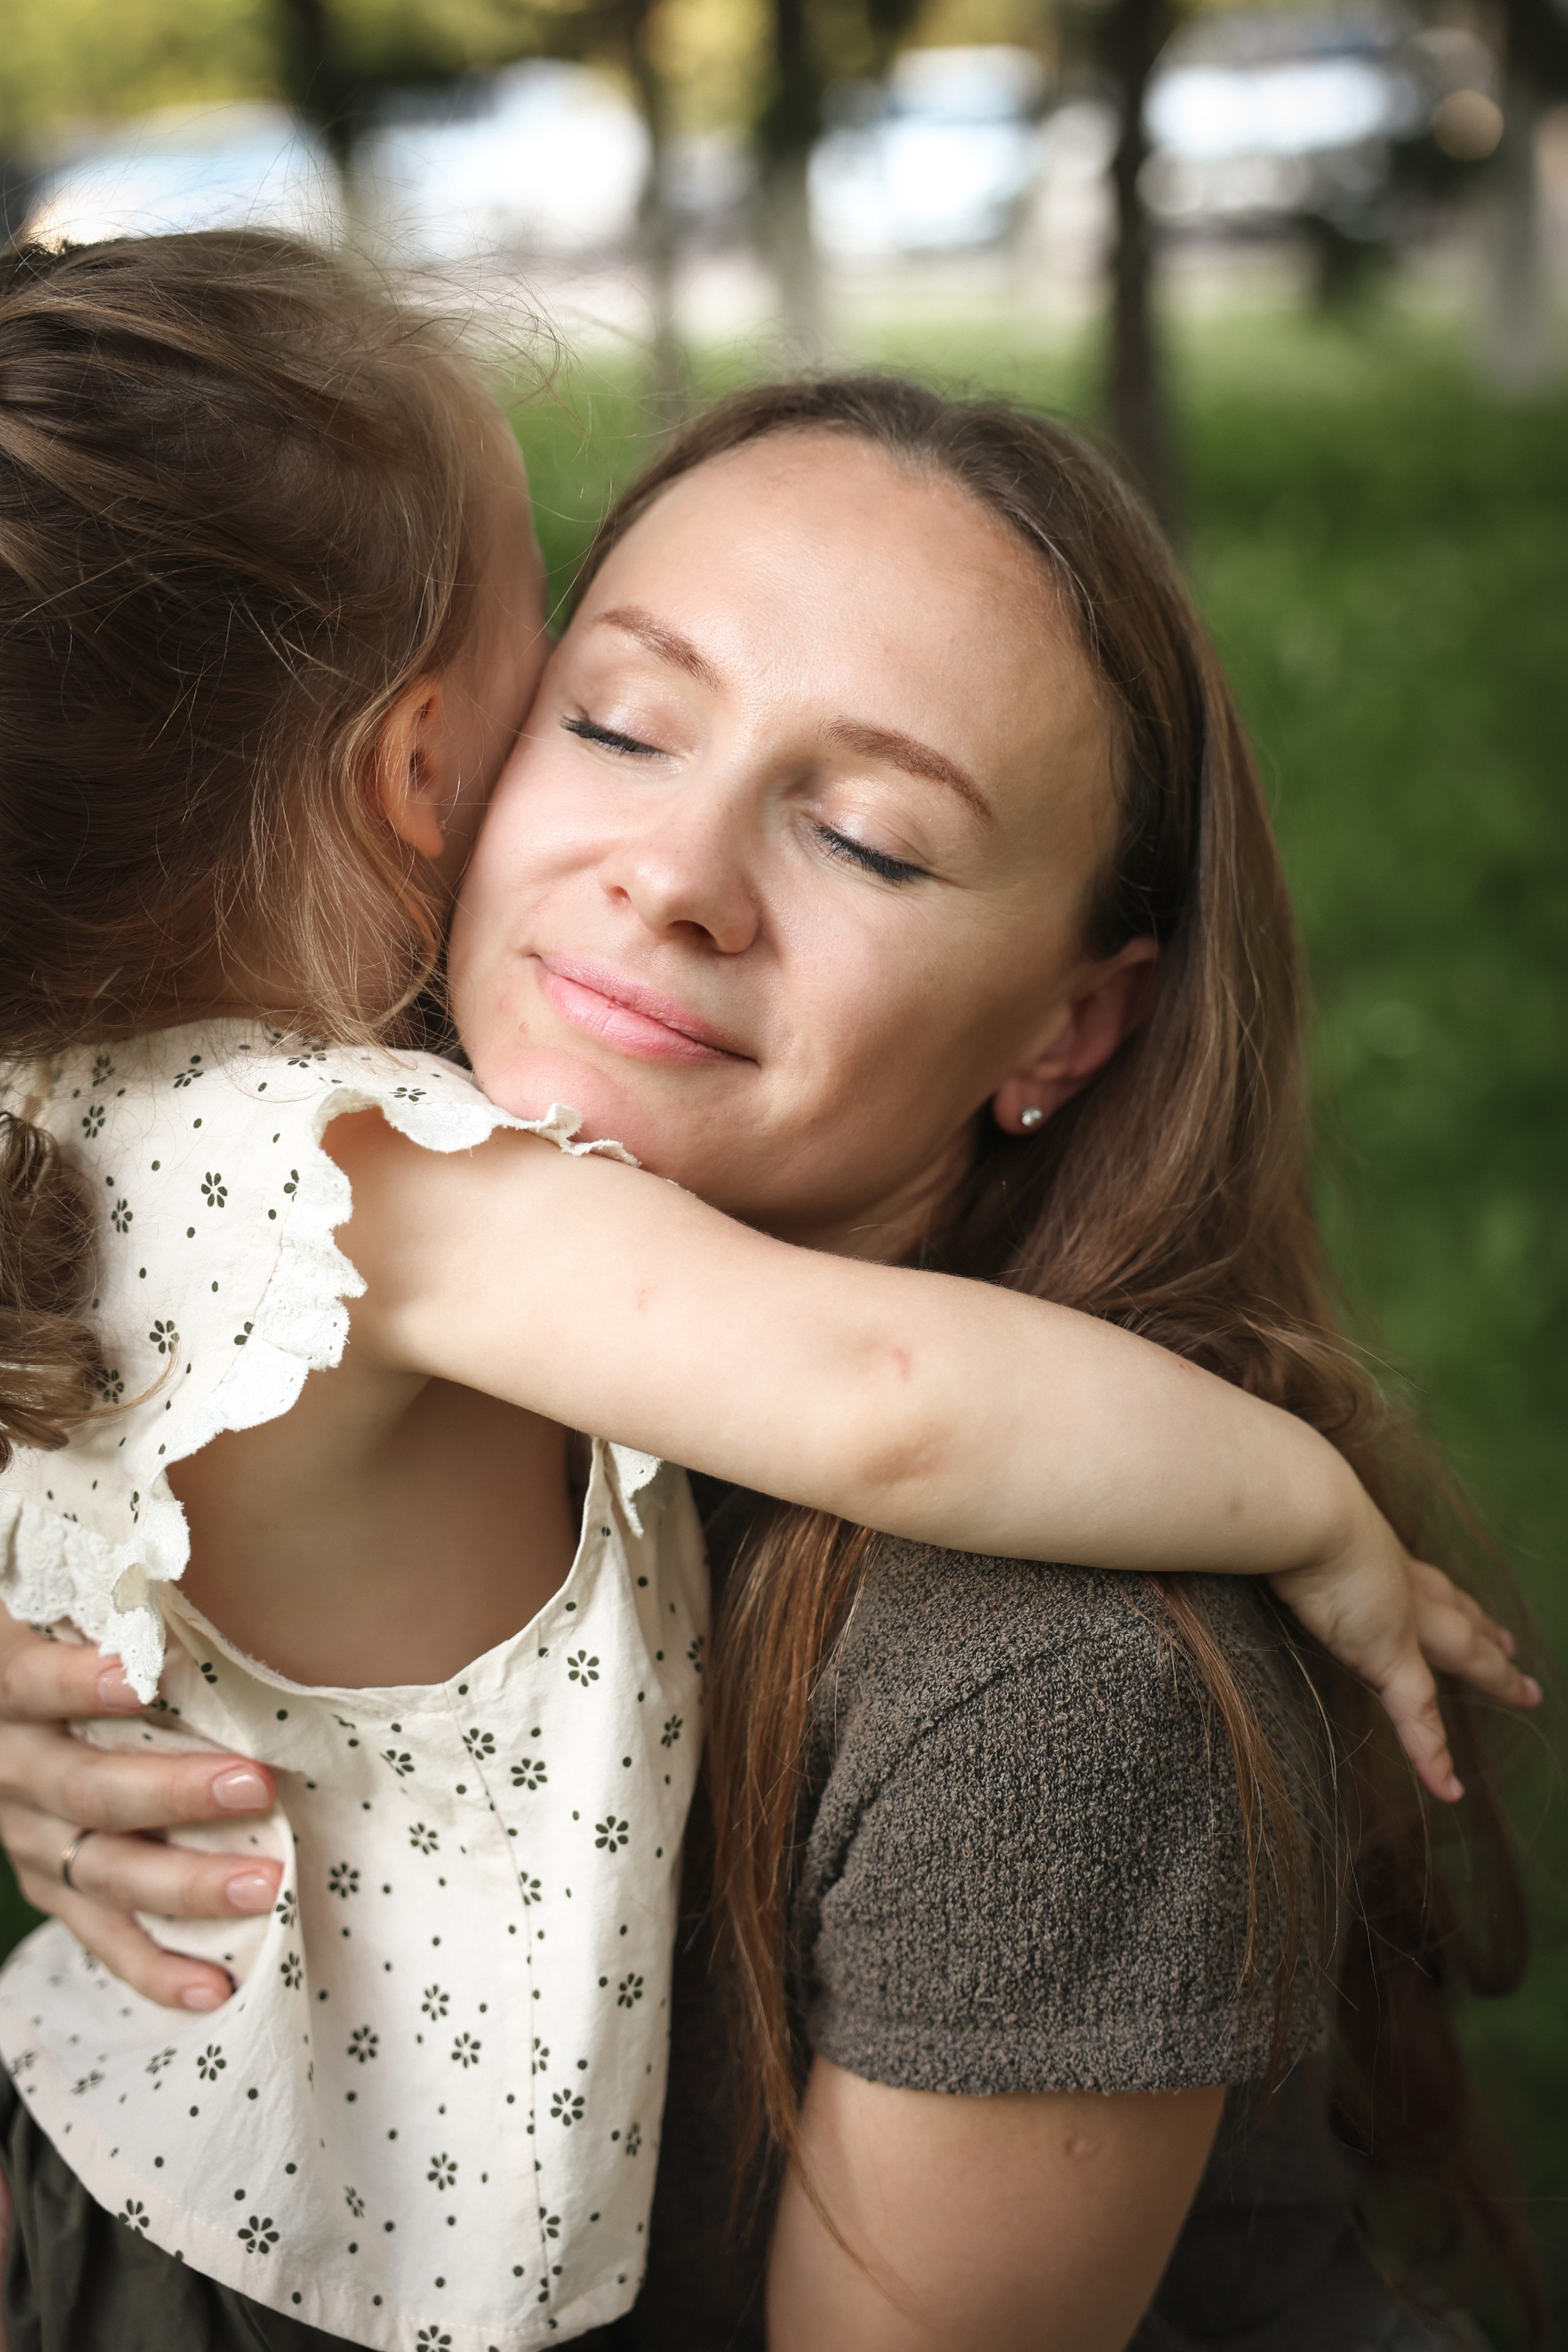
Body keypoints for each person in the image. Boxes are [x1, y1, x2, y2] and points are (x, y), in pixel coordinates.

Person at [0, 242, 1522, 2351]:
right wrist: (70, 1717)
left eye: (878, 844)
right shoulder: (371, 1215)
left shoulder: (1056, 1685)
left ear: (1069, 1034)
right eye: (610, 720)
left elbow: (892, 1402)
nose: (679, 875)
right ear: (419, 771)